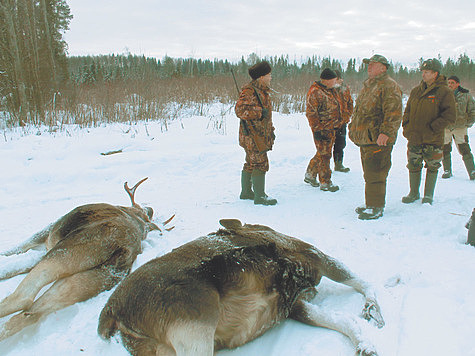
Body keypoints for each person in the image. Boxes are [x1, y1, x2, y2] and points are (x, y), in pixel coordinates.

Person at [348, 54, 402, 220]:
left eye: (373, 64)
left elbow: (393, 112)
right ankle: (370, 203)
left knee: (377, 172)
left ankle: (376, 207)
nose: (369, 67)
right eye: (368, 64)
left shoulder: (389, 85)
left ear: (383, 67)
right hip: (366, 138)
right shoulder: (369, 85)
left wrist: (386, 132)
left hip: (378, 138)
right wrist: (353, 126)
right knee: (369, 172)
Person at [402, 58, 456, 205]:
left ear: (435, 74)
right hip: (414, 137)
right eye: (423, 72)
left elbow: (450, 115)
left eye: (427, 72)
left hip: (433, 138)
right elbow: (407, 111)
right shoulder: (415, 91)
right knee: (413, 165)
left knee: (432, 166)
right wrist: (406, 126)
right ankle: (413, 193)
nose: (423, 75)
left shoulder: (444, 91)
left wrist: (434, 127)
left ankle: (428, 195)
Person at [235, 61, 277, 205]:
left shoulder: (261, 91)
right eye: (268, 74)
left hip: (259, 134)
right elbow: (240, 111)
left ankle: (246, 192)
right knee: (260, 163)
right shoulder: (250, 91)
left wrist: (270, 131)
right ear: (261, 77)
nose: (271, 77)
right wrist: (260, 112)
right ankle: (260, 196)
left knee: (251, 163)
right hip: (252, 136)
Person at [304, 68, 344, 192]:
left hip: (332, 127)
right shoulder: (315, 92)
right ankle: (325, 182)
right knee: (325, 155)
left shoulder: (331, 90)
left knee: (323, 152)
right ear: (326, 80)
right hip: (322, 128)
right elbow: (311, 113)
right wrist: (317, 130)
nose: (336, 81)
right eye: (333, 79)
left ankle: (310, 174)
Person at [441, 75, 475, 180]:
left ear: (458, 84)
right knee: (445, 149)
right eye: (449, 83)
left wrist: (468, 123)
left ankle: (472, 171)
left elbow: (472, 110)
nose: (450, 85)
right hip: (446, 127)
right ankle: (447, 171)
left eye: (452, 83)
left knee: (464, 149)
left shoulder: (466, 95)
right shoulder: (443, 94)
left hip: (460, 127)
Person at [333, 69, 354, 172]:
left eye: (338, 79)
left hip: (342, 122)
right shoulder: (327, 90)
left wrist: (348, 115)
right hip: (330, 123)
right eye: (335, 79)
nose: (338, 81)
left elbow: (350, 103)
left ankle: (338, 164)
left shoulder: (345, 89)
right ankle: (317, 170)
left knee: (340, 144)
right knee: (325, 148)